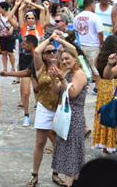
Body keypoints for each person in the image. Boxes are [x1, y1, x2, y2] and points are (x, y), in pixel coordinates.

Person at [26, 34, 61, 186]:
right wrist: (50, 39)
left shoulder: (63, 65)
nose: (52, 54)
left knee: (59, 143)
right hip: (44, 107)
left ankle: (56, 173)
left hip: (60, 108)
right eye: (49, 52)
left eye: (54, 51)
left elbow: (74, 52)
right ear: (45, 56)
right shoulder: (40, 67)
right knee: (40, 142)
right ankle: (34, 175)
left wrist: (59, 41)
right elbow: (36, 52)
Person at [49, 49, 87, 187]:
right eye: (62, 59)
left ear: (75, 58)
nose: (64, 61)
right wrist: (54, 78)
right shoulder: (66, 72)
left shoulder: (79, 74)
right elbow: (55, 91)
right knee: (68, 151)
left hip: (75, 117)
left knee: (72, 151)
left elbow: (72, 94)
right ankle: (74, 181)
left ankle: (68, 183)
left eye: (67, 59)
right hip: (65, 116)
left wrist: (61, 78)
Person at [92, 35, 117, 154]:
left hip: (102, 88)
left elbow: (99, 73)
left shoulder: (97, 58)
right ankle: (113, 145)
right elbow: (109, 75)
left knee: (104, 115)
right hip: (115, 87)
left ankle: (104, 144)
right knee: (114, 116)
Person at [73, 0, 104, 94]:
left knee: (84, 68)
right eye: (94, 4)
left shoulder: (77, 17)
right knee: (96, 67)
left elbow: (76, 31)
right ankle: (98, 87)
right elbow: (100, 33)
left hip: (81, 45)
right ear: (91, 4)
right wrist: (102, 44)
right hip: (93, 45)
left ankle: (82, 87)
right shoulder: (95, 17)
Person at [0, 1, 18, 72]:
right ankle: (5, 68)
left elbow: (15, 24)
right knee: (4, 53)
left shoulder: (11, 15)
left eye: (0, 8)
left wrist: (11, 28)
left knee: (10, 53)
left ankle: (13, 67)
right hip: (2, 36)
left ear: (4, 8)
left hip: (10, 36)